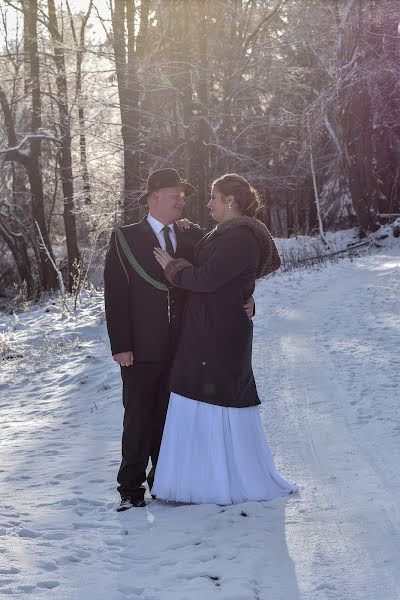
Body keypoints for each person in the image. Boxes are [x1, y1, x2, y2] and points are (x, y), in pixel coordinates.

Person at [104, 168, 255, 511]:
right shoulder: (125, 237)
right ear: (154, 197)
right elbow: (115, 295)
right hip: (140, 348)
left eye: (183, 196)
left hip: (186, 347)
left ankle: (165, 480)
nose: (182, 201)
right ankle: (130, 488)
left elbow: (218, 279)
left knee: (172, 419)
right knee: (139, 416)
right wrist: (121, 345)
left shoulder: (194, 237)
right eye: (175, 195)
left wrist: (248, 298)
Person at [152, 173, 298, 505]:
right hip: (207, 331)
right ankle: (200, 480)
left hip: (220, 336)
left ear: (229, 201)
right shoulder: (228, 234)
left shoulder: (242, 237)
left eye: (213, 197)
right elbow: (220, 265)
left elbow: (207, 278)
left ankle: (222, 482)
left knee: (220, 399)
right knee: (199, 397)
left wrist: (174, 268)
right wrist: (192, 232)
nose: (208, 203)